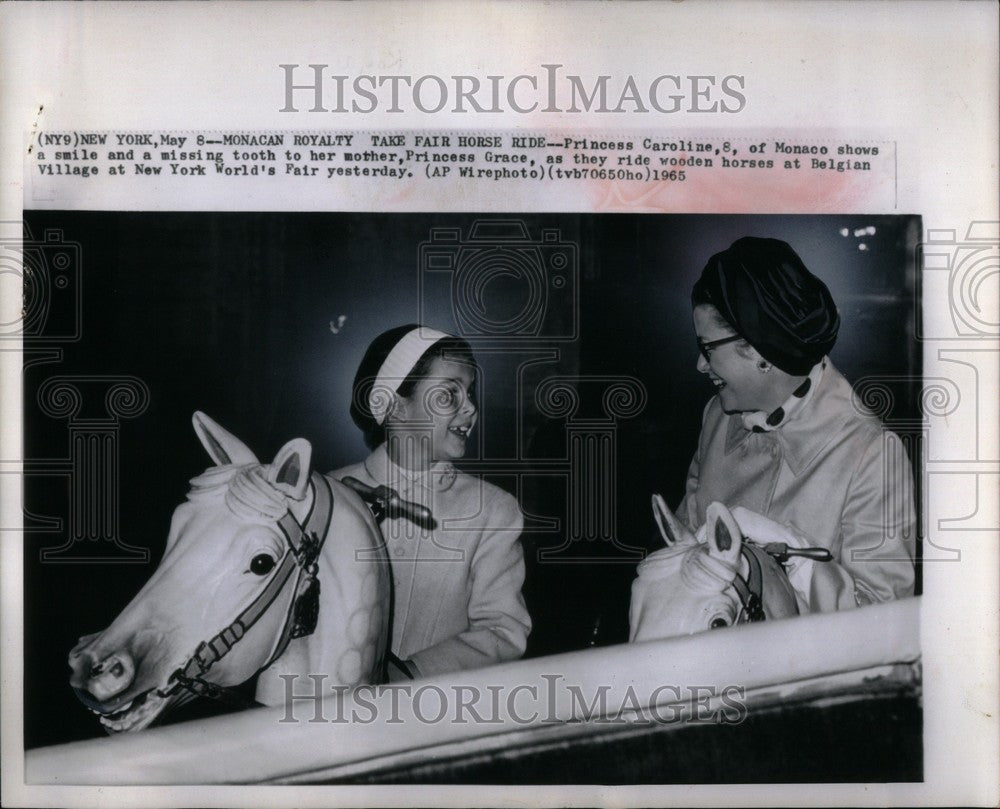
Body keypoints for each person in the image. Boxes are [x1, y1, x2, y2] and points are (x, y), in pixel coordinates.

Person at [674, 236, 915, 612]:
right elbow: (686, 548)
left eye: (708, 349)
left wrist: (787, 548)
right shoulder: (716, 418)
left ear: (758, 349)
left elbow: (882, 617)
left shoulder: (871, 453)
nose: (701, 365)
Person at [332, 324, 530, 680]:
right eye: (449, 394)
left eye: (470, 393)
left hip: (434, 715)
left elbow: (504, 631)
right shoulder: (328, 494)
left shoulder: (492, 510)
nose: (470, 408)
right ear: (394, 406)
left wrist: (411, 674)